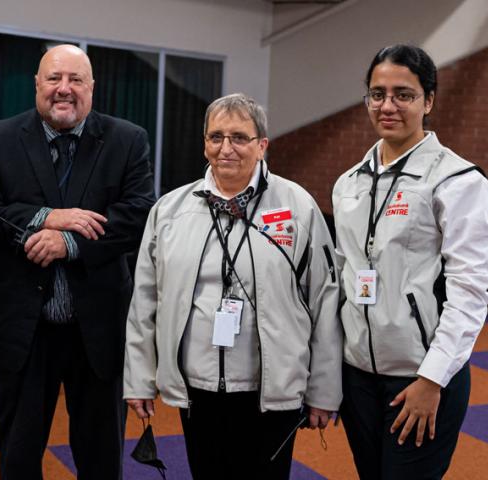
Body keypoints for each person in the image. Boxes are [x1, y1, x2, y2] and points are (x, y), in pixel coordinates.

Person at [124, 93, 343, 479]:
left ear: (262, 145)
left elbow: (324, 301)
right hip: (198, 389)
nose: (226, 148)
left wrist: (324, 391)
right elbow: (145, 301)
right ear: (204, 143)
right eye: (216, 137)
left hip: (270, 390)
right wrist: (140, 379)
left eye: (239, 137)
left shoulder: (298, 207)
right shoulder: (171, 210)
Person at [0, 44, 155, 479]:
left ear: (91, 87)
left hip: (99, 331)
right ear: (37, 85)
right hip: (23, 331)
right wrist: (44, 217)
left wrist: (69, 243)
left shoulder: (127, 139)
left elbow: (139, 216)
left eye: (75, 80)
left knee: (101, 457)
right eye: (54, 79)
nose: (63, 89)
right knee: (19, 456)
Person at [332, 45, 488, 479]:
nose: (387, 105)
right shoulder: (348, 183)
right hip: (357, 379)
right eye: (377, 93)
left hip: (420, 378)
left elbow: (469, 292)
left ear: (428, 100)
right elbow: (343, 279)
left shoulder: (458, 181)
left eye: (403, 94)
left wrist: (432, 380)